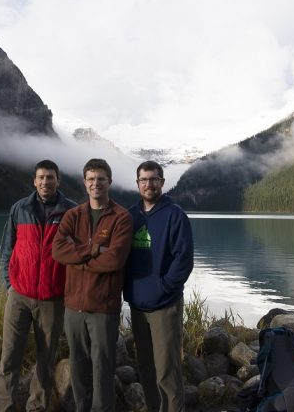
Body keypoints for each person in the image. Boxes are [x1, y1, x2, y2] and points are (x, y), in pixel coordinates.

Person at [0, 160, 78, 412]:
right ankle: (1, 408)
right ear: (34, 181)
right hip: (18, 295)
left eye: (50, 177)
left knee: (45, 359)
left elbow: (76, 253)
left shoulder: (70, 211)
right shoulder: (19, 208)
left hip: (52, 298)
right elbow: (8, 249)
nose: (45, 182)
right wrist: (9, 284)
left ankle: (36, 407)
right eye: (41, 177)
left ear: (58, 180)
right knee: (9, 357)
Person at [52, 158, 133, 412]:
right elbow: (57, 250)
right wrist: (93, 250)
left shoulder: (122, 217)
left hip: (103, 308)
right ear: (84, 183)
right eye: (91, 179)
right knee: (78, 364)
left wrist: (78, 259)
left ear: (109, 182)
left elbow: (115, 259)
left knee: (102, 366)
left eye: (101, 179)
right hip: (73, 306)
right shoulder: (73, 215)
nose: (95, 183)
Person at [124, 160, 194, 412]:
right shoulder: (131, 215)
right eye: (144, 179)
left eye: (154, 179)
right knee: (146, 367)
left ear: (162, 182)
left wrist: (163, 288)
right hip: (138, 304)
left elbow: (183, 260)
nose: (149, 184)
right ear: (137, 184)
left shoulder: (175, 215)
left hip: (165, 305)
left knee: (167, 370)